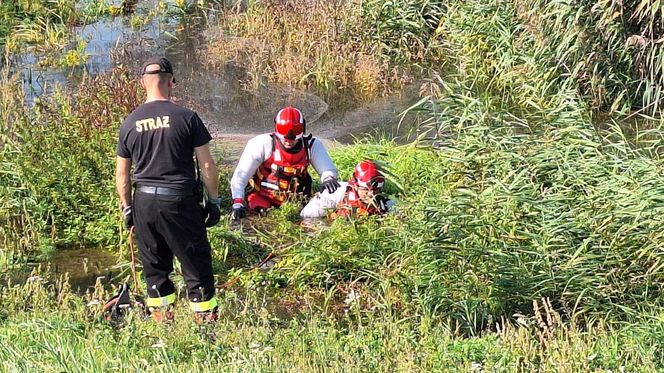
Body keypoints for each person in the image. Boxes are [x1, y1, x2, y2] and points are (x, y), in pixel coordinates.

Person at [115, 57, 220, 323]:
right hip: (179, 201)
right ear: (172, 81)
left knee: (156, 271)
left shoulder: (130, 122)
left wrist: (128, 208)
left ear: (143, 84)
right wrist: (214, 201)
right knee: (196, 266)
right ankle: (206, 330)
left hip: (145, 203)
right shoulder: (187, 118)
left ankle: (163, 326)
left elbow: (122, 175)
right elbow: (207, 165)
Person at [229, 106, 339, 219]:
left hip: (298, 202)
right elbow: (240, 178)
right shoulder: (262, 144)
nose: (288, 140)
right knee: (260, 219)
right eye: (283, 131)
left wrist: (328, 178)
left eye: (295, 132)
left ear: (303, 129)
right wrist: (238, 202)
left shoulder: (312, 146)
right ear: (276, 127)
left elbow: (327, 170)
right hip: (262, 200)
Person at [300, 159, 392, 219]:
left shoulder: (388, 204)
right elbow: (307, 217)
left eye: (376, 190)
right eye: (366, 190)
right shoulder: (332, 194)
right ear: (355, 185)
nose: (371, 194)